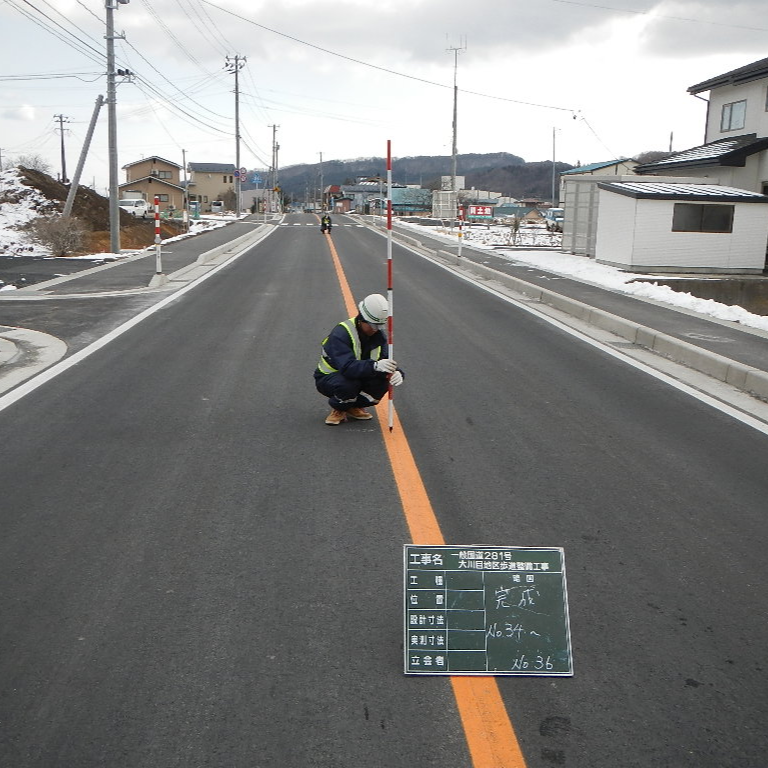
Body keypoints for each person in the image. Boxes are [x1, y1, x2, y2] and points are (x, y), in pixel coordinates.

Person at [314, 293, 404, 425]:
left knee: (381, 382)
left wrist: (397, 372)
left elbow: (385, 360)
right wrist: (375, 366)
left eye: (380, 325)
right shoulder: (341, 334)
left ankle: (353, 407)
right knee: (349, 384)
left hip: (358, 374)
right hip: (330, 378)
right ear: (362, 319)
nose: (377, 329)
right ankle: (339, 408)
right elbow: (347, 368)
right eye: (374, 325)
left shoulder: (379, 336)